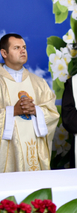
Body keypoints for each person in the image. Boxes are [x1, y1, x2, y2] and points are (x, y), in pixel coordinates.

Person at [0, 33, 59, 172]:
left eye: (24, 47)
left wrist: (36, 110)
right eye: (16, 47)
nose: (23, 51)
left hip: (34, 150)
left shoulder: (38, 83)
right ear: (4, 53)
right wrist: (12, 111)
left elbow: (53, 114)